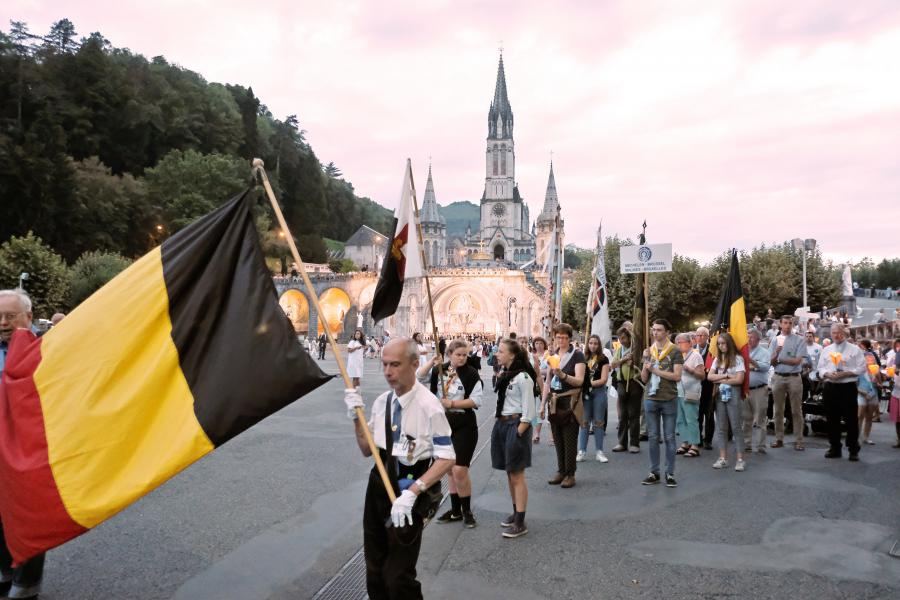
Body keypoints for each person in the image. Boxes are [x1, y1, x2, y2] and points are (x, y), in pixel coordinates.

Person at [343, 338, 455, 599]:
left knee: (398, 577)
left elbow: (447, 457)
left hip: (409, 488)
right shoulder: (383, 402)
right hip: (379, 483)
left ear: (415, 365)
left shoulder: (429, 406)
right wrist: (356, 419)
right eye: (384, 364)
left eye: (395, 364)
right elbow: (366, 449)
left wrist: (414, 492)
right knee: (374, 570)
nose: (387, 372)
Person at [0, 289, 46, 600]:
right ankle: (5, 571)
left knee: (30, 515)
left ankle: (26, 584)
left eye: (10, 316)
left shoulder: (45, 349)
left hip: (30, 450)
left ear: (28, 318)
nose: (3, 322)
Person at [416, 339, 483, 528]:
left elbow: (476, 401)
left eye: (464, 355)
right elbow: (418, 378)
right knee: (449, 470)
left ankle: (467, 511)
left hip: (464, 425)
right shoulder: (440, 370)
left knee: (460, 469)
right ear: (449, 355)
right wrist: (431, 362)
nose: (462, 358)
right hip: (441, 424)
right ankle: (455, 511)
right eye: (458, 355)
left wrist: (453, 404)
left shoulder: (471, 374)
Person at [490, 338, 536, 538]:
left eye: (500, 351)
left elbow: (529, 409)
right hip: (502, 424)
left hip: (515, 425)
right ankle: (516, 511)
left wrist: (520, 429)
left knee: (517, 475)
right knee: (509, 473)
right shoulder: (506, 374)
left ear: (512, 355)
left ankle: (520, 521)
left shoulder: (523, 378)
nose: (497, 354)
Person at [640, 319, 682, 487]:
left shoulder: (675, 351)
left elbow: (677, 376)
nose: (655, 332)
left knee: (670, 437)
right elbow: (644, 378)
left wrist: (655, 370)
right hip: (650, 398)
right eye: (654, 330)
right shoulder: (649, 351)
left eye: (659, 330)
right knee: (653, 437)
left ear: (666, 332)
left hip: (669, 398)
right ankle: (654, 472)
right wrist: (645, 362)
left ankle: (670, 473)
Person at [543, 323, 586, 488]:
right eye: (558, 336)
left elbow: (580, 380)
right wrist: (542, 404)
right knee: (557, 438)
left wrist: (563, 375)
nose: (561, 339)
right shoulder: (552, 355)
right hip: (554, 400)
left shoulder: (577, 355)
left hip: (570, 400)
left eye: (564, 337)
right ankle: (560, 471)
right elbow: (547, 382)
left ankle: (570, 474)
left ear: (570, 338)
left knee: (569, 438)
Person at [816, 323, 865, 461]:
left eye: (838, 332)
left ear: (844, 333)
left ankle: (853, 449)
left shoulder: (854, 350)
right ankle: (834, 447)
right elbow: (820, 368)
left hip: (847, 387)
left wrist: (847, 373)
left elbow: (862, 368)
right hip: (831, 387)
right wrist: (827, 374)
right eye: (833, 333)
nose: (836, 335)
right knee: (832, 418)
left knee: (851, 420)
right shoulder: (826, 350)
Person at [708, 332, 747, 471]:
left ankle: (740, 459)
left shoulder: (738, 359)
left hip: (733, 393)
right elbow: (709, 376)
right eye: (719, 344)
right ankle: (723, 458)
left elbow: (739, 379)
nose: (721, 346)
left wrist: (721, 379)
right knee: (721, 427)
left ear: (729, 344)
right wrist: (725, 375)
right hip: (720, 393)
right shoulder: (717, 359)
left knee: (736, 426)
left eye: (723, 343)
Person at [769, 316, 807, 450]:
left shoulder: (799, 339)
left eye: (790, 323)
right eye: (785, 323)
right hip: (778, 376)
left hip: (794, 377)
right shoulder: (775, 340)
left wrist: (781, 359)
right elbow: (771, 362)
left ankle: (799, 440)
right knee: (778, 410)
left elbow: (797, 361)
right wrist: (776, 354)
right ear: (780, 324)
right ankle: (779, 438)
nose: (788, 325)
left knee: (796, 410)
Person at [577, 335, 611, 463]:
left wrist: (588, 384)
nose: (593, 346)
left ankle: (599, 451)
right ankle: (582, 451)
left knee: (598, 422)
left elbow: (603, 379)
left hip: (598, 392)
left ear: (599, 345)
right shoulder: (582, 358)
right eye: (590, 343)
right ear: (587, 344)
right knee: (584, 422)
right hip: (585, 394)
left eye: (595, 343)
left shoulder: (603, 359)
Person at [611, 326, 641, 453]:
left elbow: (642, 367)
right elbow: (613, 364)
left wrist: (633, 363)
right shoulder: (619, 350)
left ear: (629, 337)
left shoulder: (636, 350)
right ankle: (621, 442)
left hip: (634, 383)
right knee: (622, 415)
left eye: (623, 338)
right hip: (621, 383)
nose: (621, 340)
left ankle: (634, 443)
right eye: (619, 338)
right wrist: (624, 359)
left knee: (633, 414)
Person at [675, 332, 703, 458]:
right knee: (681, 420)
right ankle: (685, 442)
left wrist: (689, 369)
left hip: (691, 392)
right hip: (678, 392)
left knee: (691, 419)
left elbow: (702, 375)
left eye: (681, 342)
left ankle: (695, 445)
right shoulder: (678, 355)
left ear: (689, 343)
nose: (679, 345)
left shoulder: (696, 356)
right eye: (677, 342)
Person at [744, 329, 771, 454]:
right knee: (746, 418)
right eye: (748, 337)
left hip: (759, 389)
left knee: (760, 418)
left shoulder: (764, 352)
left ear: (758, 339)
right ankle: (746, 444)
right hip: (745, 389)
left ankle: (760, 446)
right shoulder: (743, 351)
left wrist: (752, 362)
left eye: (752, 337)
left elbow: (765, 367)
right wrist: (754, 367)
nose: (749, 339)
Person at [694, 326, 716, 450]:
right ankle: (697, 439)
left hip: (709, 387)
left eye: (703, 335)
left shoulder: (713, 351)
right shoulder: (692, 351)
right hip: (695, 387)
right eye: (698, 335)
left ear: (708, 337)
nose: (700, 337)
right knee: (697, 415)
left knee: (709, 415)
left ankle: (708, 440)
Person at [530, 337, 551, 444]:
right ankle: (536, 433)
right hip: (536, 386)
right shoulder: (531, 356)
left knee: (549, 410)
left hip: (548, 385)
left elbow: (550, 370)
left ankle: (552, 436)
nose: (538, 345)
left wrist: (540, 371)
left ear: (544, 344)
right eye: (536, 343)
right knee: (537, 410)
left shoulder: (548, 356)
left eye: (540, 343)